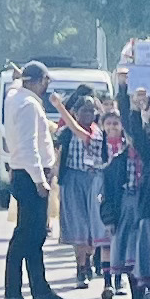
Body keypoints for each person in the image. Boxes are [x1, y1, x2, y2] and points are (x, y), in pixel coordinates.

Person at [0, 61, 66, 299]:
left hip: (23, 173)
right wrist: (40, 180)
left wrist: (18, 78)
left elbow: (16, 85)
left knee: (35, 235)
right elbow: (29, 148)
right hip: (30, 176)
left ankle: (40, 289)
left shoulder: (15, 96)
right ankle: (13, 293)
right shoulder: (28, 105)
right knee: (25, 236)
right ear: (41, 81)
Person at [57, 94, 111, 287]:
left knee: (94, 224)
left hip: (95, 180)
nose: (88, 114)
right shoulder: (66, 132)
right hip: (73, 179)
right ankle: (82, 266)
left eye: (91, 110)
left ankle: (92, 258)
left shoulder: (101, 132)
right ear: (75, 113)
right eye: (84, 110)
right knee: (78, 224)